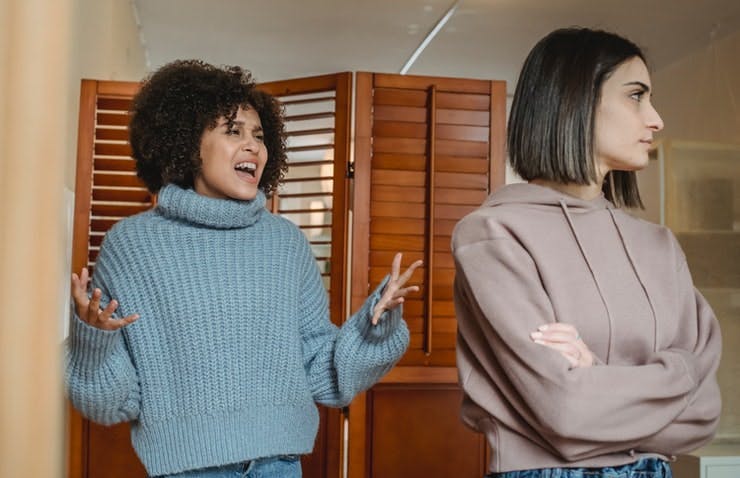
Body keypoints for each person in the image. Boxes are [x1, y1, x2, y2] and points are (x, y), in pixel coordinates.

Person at [65, 59, 422, 478]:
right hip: (187, 470)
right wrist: (95, 340)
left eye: (259, 134)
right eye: (233, 131)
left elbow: (321, 370)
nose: (253, 145)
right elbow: (109, 403)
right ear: (185, 143)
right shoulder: (132, 247)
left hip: (280, 465)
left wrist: (373, 328)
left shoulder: (285, 243)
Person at [452, 28, 722, 478]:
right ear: (573, 100)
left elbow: (705, 414)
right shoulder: (494, 234)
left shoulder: (660, 246)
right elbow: (565, 411)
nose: (656, 119)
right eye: (636, 96)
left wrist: (596, 373)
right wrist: (677, 377)